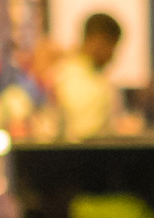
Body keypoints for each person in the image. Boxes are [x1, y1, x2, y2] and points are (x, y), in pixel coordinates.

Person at [47, 11, 123, 143]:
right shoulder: (78, 81)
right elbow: (88, 136)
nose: (112, 57)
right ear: (98, 41)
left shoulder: (65, 73)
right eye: (112, 48)